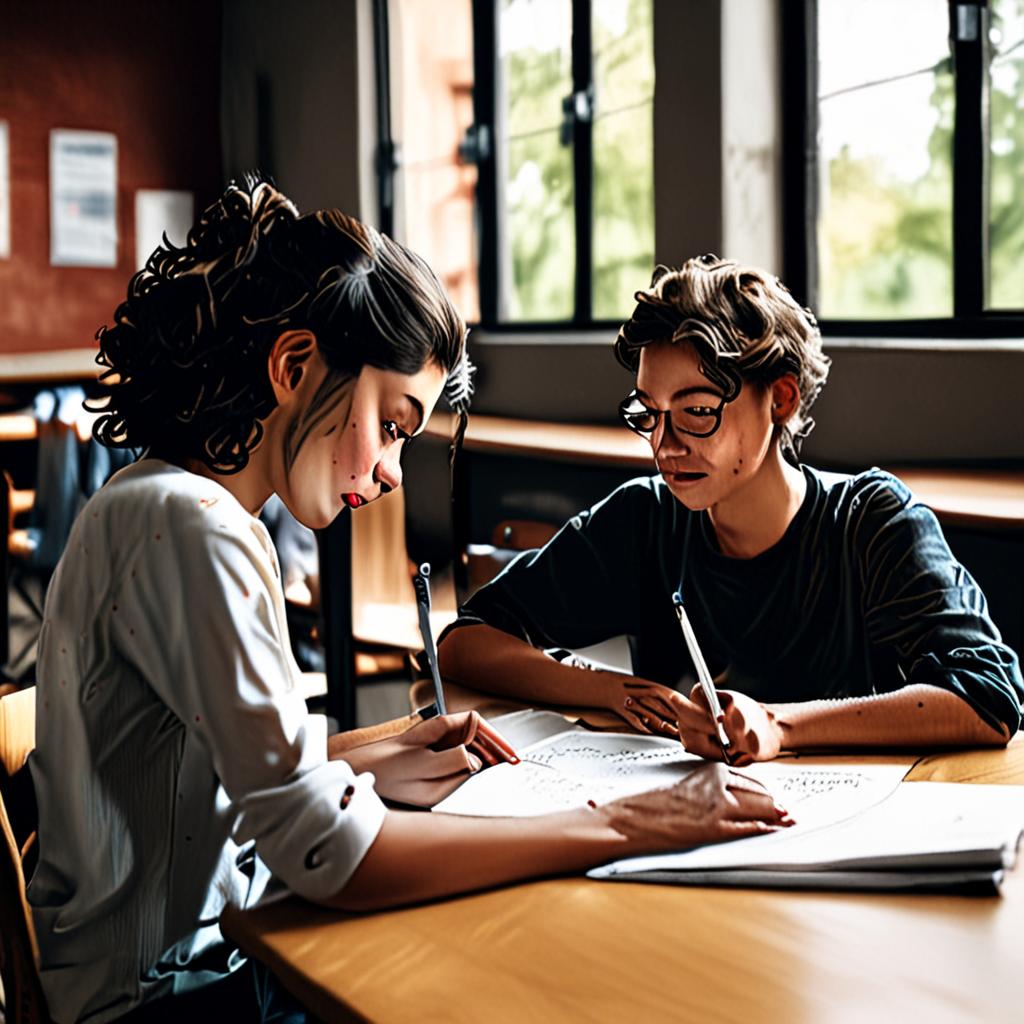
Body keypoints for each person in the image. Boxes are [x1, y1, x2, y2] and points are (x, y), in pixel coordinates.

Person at [27, 186, 788, 1023]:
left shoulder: (148, 502)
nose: (392, 472)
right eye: (392, 425)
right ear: (292, 369)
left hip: (188, 967)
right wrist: (628, 823)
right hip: (168, 1000)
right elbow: (333, 858)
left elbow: (186, 784)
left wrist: (353, 767)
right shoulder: (199, 530)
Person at [438, 255, 1024, 764]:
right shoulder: (647, 519)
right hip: (694, 833)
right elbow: (464, 642)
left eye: (697, 411)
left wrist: (780, 726)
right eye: (649, 413)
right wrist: (609, 690)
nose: (666, 446)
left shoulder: (873, 523)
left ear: (781, 398)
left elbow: (988, 697)